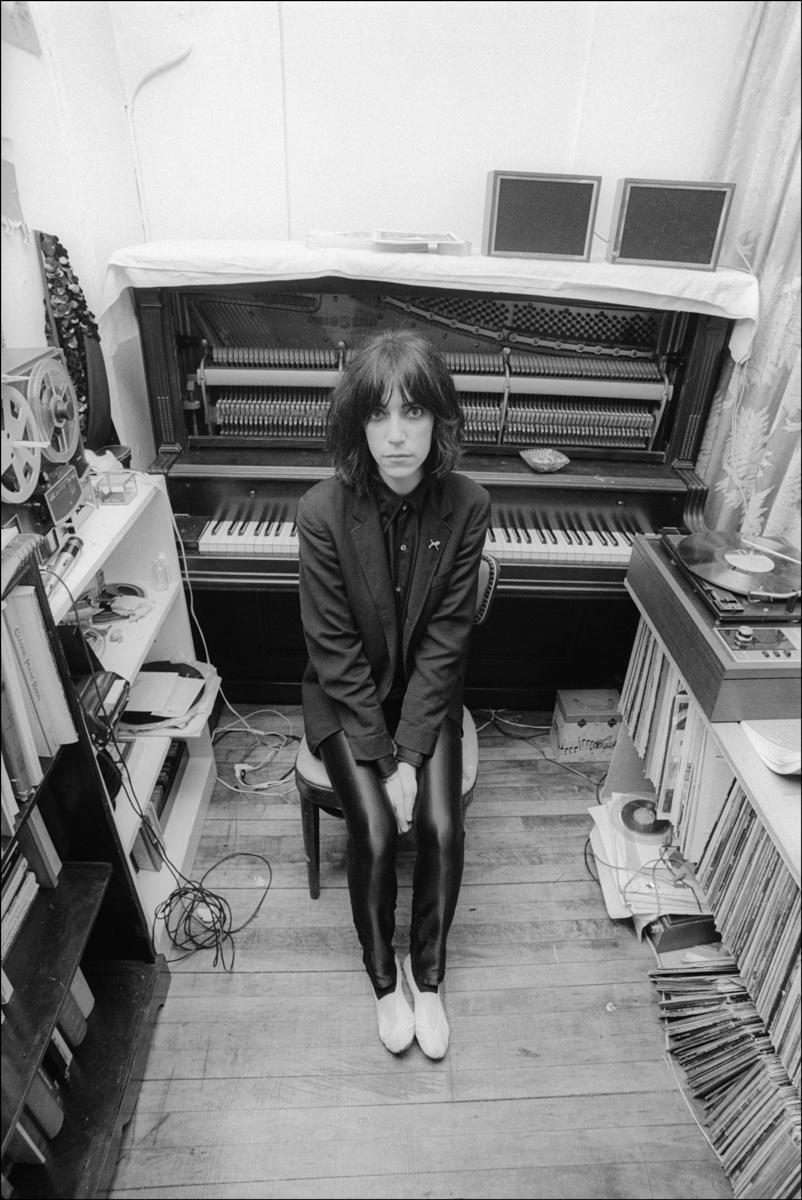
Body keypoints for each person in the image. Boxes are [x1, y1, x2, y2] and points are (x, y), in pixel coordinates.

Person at [296, 329, 491, 1059]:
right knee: (376, 831)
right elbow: (334, 651)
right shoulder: (321, 512)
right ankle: (384, 980)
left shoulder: (468, 505)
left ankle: (427, 976)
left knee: (441, 827)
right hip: (346, 700)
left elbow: (447, 641)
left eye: (413, 412)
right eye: (379, 415)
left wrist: (411, 757)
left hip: (425, 697)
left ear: (439, 419)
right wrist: (381, 762)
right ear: (359, 425)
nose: (397, 434)